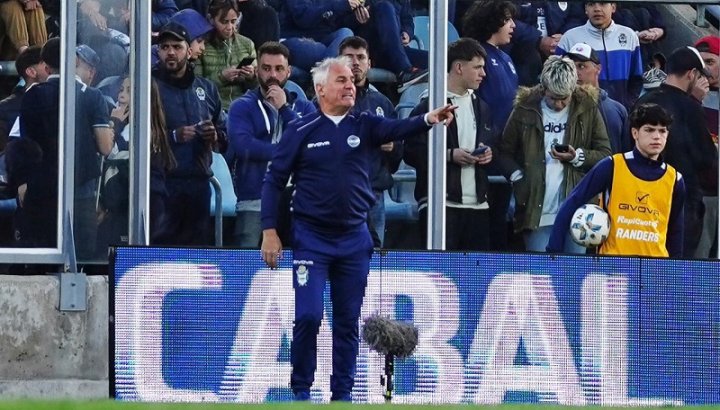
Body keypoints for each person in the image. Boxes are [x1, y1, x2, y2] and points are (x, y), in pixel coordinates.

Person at [260, 56, 456, 402]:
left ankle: (342, 395)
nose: (350, 85)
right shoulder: (301, 130)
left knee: (348, 322)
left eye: (351, 79)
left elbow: (398, 127)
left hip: (354, 239)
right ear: (320, 89)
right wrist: (270, 230)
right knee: (307, 316)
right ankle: (301, 390)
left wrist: (428, 119)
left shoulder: (364, 125)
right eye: (340, 80)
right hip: (311, 239)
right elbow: (274, 181)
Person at [497, 55, 611, 252]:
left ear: (574, 88)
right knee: (541, 277)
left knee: (572, 277)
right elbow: (504, 152)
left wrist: (577, 157)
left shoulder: (588, 106)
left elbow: (605, 153)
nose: (559, 104)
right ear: (543, 87)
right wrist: (519, 178)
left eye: (564, 98)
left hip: (577, 212)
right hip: (535, 210)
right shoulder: (524, 108)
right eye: (553, 98)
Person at [13, 37, 114, 256]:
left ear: (46, 66)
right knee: (81, 261)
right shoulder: (93, 96)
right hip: (81, 191)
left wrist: (24, 182)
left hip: (41, 190)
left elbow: (25, 145)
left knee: (43, 260)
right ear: (75, 60)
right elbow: (105, 147)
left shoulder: (32, 96)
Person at [547, 103, 686, 257]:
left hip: (654, 269)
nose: (657, 136)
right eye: (649, 130)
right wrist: (553, 251)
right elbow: (572, 202)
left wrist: (675, 268)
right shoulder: (612, 166)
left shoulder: (675, 179)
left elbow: (676, 232)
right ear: (635, 133)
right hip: (612, 267)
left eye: (662, 131)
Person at [405, 37, 502, 250]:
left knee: (474, 280)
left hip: (478, 206)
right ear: (458, 67)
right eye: (477, 68)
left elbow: (494, 144)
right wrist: (449, 155)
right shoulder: (428, 106)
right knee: (440, 278)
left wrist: (489, 155)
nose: (483, 74)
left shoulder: (483, 107)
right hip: (440, 206)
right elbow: (411, 151)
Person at [226, 41, 316, 248]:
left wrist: (284, 108)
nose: (273, 75)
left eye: (279, 69)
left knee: (301, 268)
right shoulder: (242, 106)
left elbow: (312, 143)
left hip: (299, 202)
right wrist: (289, 151)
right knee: (246, 267)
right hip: (254, 200)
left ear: (289, 71)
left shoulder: (304, 106)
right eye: (266, 69)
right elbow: (244, 146)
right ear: (257, 70)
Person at [636, 46, 716, 258]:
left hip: (641, 203)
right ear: (691, 74)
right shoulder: (690, 108)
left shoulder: (642, 102)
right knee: (677, 276)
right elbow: (707, 159)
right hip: (682, 205)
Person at [153, 22, 226, 245]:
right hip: (162, 184)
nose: (171, 52)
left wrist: (214, 136)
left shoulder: (207, 88)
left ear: (189, 50)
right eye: (165, 47)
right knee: (162, 256)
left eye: (177, 46)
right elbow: (135, 137)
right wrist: (174, 136)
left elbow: (224, 135)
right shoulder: (149, 86)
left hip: (198, 183)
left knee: (196, 256)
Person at [339, 36, 402, 246]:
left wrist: (392, 147)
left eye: (360, 57)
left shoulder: (382, 104)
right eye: (349, 57)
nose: (355, 62)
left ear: (369, 63)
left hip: (373, 194)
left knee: (374, 264)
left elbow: (399, 151)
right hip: (336, 194)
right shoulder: (324, 101)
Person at [556, 1, 643, 110]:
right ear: (585, 9)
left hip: (619, 112)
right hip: (580, 112)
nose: (597, 9)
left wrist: (627, 105)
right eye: (591, 4)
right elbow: (556, 79)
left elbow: (636, 78)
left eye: (602, 3)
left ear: (613, 7)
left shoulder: (629, 36)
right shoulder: (569, 38)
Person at [340, 0, 429, 92]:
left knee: (437, 62)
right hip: (369, 51)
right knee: (384, 6)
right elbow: (339, 21)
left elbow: (407, 19)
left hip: (398, 51)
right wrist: (357, 18)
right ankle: (403, 72)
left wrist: (407, 33)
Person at [564, 42, 629, 153]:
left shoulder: (617, 110)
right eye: (570, 67)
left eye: (581, 66)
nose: (575, 73)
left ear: (598, 69)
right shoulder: (560, 108)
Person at [196, 0, 257, 110]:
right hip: (214, 108)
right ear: (211, 20)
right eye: (224, 22)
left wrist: (252, 77)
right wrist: (221, 77)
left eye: (233, 21)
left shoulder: (247, 44)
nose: (230, 27)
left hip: (244, 106)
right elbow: (197, 88)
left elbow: (258, 87)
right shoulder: (202, 46)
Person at [693, 35, 719, 258]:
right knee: (700, 260)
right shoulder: (688, 98)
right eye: (700, 64)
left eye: (710, 62)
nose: (705, 70)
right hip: (703, 194)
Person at [0, 45, 47, 148]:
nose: (52, 70)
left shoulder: (62, 101)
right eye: (46, 66)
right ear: (31, 72)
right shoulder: (4, 110)